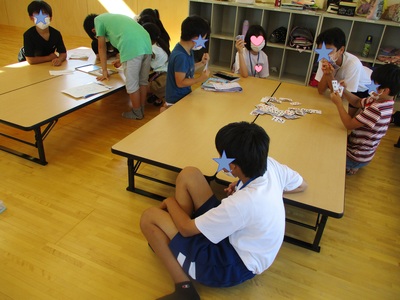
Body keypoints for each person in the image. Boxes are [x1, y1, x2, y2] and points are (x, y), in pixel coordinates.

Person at [140, 121, 307, 300]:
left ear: (234, 166)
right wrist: (244, 185)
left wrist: (170, 201)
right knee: (189, 174)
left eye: (223, 157)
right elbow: (301, 185)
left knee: (149, 217)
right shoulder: (269, 165)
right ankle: (178, 244)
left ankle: (185, 289)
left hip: (230, 266)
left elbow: (187, 229)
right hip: (243, 240)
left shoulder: (241, 204)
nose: (221, 160)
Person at [330, 63, 400, 175]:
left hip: (356, 156)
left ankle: (351, 166)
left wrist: (339, 104)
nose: (372, 85)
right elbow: (358, 102)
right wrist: (344, 90)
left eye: (375, 84)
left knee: (327, 155)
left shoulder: (378, 109)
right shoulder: (379, 99)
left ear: (385, 90)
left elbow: (348, 124)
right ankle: (353, 165)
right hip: (359, 148)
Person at [83, 13, 152, 120]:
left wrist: (104, 70)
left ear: (93, 31)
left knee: (131, 84)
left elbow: (101, 47)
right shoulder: (110, 18)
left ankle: (137, 112)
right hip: (146, 42)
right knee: (142, 81)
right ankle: (141, 109)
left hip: (131, 44)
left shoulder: (98, 21)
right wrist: (122, 58)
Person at [315, 27, 372, 117]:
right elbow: (321, 90)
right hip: (341, 87)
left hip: (361, 90)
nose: (325, 55)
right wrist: (327, 75)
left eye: (329, 51)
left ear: (341, 50)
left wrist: (329, 76)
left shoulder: (353, 64)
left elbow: (341, 97)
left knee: (343, 118)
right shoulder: (324, 58)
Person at [164, 15, 211, 111]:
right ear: (196, 38)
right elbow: (180, 83)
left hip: (183, 96)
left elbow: (186, 69)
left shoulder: (186, 50)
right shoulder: (181, 56)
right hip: (176, 100)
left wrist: (201, 63)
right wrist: (200, 79)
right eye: (204, 38)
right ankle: (164, 110)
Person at [19, 0, 66, 66]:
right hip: (30, 65)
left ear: (50, 17)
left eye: (45, 13)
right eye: (37, 14)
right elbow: (30, 60)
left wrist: (59, 59)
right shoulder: (28, 35)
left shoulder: (56, 34)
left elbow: (63, 53)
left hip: (47, 64)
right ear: (31, 18)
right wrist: (49, 58)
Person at [142, 22, 170, 107]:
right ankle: (158, 96)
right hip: (165, 74)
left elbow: (141, 61)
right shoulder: (159, 44)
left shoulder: (152, 49)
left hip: (163, 77)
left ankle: (159, 95)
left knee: (139, 84)